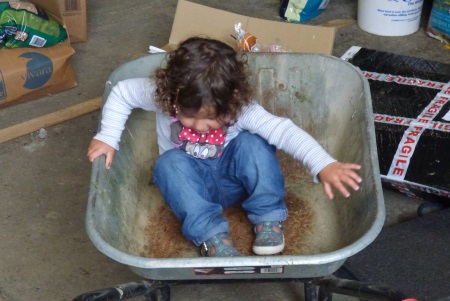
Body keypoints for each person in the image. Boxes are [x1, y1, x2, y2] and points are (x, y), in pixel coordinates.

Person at [87, 37, 362, 257]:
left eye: (209, 118)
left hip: (236, 180)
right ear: (173, 95)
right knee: (168, 164)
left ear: (231, 101)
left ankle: (267, 217)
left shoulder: (242, 110)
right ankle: (212, 237)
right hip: (191, 188)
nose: (197, 126)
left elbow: (284, 131)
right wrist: (107, 136)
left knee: (252, 143)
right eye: (188, 115)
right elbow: (122, 92)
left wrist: (323, 163)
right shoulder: (163, 96)